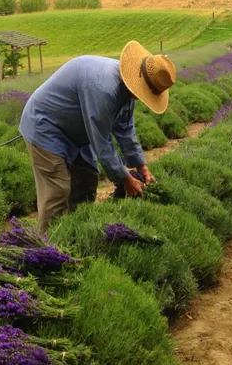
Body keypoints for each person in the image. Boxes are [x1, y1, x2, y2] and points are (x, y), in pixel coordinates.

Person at [20, 40, 176, 232]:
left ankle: (77, 234)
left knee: (88, 179)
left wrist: (141, 165)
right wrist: (125, 178)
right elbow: (102, 143)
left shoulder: (128, 89)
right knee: (57, 192)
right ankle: (48, 246)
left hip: (77, 132)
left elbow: (125, 128)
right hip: (46, 127)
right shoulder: (105, 89)